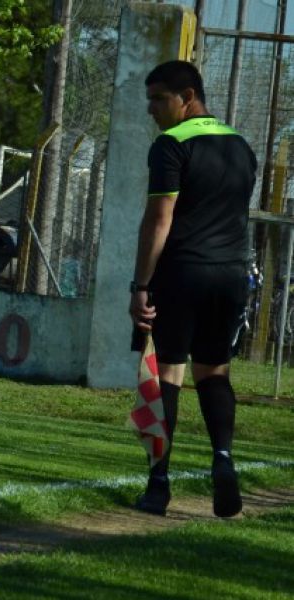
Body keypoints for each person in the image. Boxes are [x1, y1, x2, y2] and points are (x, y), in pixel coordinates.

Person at [129, 60, 256, 517]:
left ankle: (159, 484)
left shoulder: (170, 145)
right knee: (215, 372)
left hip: (182, 273)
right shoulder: (241, 146)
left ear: (188, 97)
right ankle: (222, 459)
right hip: (231, 275)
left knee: (168, 374)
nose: (151, 109)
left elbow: (159, 221)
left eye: (159, 99)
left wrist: (140, 285)